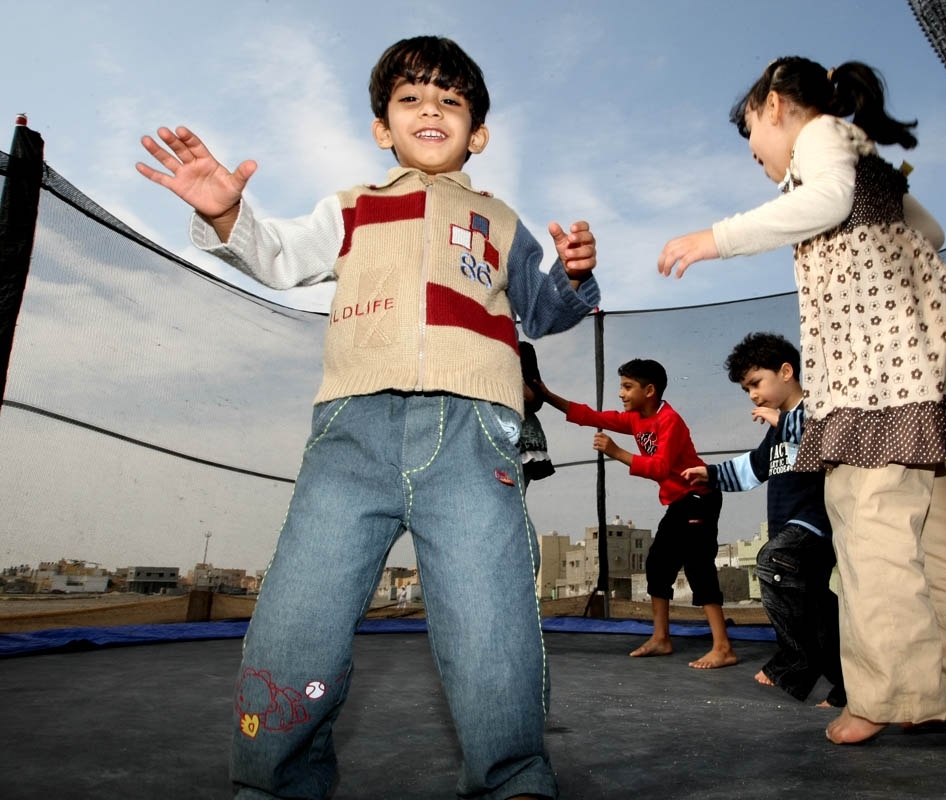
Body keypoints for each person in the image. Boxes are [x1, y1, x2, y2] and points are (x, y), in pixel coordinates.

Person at [136, 36, 599, 800]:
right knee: (299, 619)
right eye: (411, 98)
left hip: (474, 433)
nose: (431, 110)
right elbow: (279, 255)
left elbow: (544, 311)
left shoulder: (501, 221)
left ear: (476, 133)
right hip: (353, 434)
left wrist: (575, 278)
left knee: (492, 625)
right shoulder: (352, 206)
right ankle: (275, 780)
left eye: (451, 101)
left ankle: (514, 778)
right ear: (383, 127)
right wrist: (228, 215)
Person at [656, 57, 946, 744]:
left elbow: (825, 203)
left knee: (869, 518)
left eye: (751, 136)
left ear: (773, 106)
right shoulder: (868, 157)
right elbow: (931, 235)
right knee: (943, 525)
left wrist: (717, 239)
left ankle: (889, 695)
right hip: (941, 360)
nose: (757, 154)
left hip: (882, 369)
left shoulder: (821, 138)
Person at [536, 359, 738, 670]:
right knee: (658, 565)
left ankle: (723, 647)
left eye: (627, 387)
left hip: (700, 497)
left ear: (650, 390)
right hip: (679, 502)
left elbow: (660, 467)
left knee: (699, 568)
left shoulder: (670, 420)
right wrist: (547, 395)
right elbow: (589, 415)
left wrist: (616, 451)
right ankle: (661, 638)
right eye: (621, 386)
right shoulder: (636, 419)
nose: (621, 393)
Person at [682, 332, 845, 706]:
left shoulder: (816, 412)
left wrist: (783, 422)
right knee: (817, 610)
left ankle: (795, 663)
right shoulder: (778, 429)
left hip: (815, 524)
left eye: (757, 383)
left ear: (786, 371)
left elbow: (825, 447)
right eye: (747, 390)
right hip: (791, 526)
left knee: (771, 561)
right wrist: (710, 473)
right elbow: (756, 467)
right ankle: (845, 687)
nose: (753, 395)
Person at [519, 341, 556, 490]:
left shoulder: (522, 350)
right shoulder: (468, 349)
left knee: (509, 502)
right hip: (480, 437)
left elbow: (535, 400)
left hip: (520, 438)